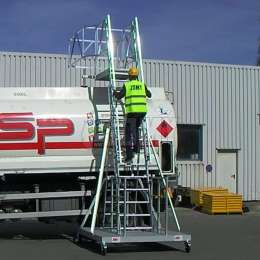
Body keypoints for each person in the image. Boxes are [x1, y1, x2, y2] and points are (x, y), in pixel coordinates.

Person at [113, 67, 152, 164]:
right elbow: (149, 95)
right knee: (135, 130)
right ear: (137, 76)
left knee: (128, 134)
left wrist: (114, 93)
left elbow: (119, 96)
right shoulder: (142, 85)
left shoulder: (127, 85)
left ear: (129, 76)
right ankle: (136, 149)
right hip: (142, 112)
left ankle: (129, 156)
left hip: (132, 112)